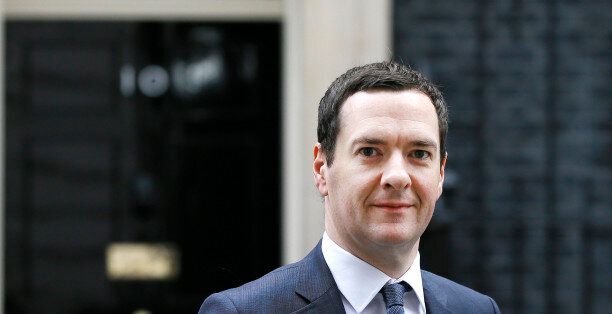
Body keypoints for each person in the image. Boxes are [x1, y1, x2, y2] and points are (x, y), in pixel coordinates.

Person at [200, 61, 500, 313]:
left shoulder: (478, 309)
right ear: (321, 169)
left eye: (419, 154)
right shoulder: (243, 311)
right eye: (370, 151)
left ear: (441, 174)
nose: (397, 176)